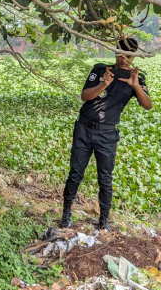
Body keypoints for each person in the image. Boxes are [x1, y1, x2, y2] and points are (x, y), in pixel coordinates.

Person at [60, 38, 153, 231]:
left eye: (128, 56)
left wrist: (135, 86)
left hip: (107, 134)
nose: (123, 59)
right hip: (84, 129)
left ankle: (103, 221)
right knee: (76, 173)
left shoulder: (137, 78)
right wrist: (104, 83)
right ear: (114, 52)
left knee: (105, 178)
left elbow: (148, 105)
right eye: (120, 54)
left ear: (134, 56)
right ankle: (66, 212)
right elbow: (85, 96)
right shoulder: (100, 70)